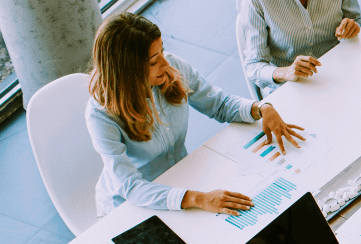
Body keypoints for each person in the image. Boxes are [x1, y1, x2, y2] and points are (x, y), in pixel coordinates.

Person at [86, 13, 304, 217]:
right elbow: (130, 186)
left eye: (161, 51)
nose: (164, 62)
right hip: (132, 207)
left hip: (182, 181)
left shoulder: (172, 67)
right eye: (153, 61)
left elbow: (218, 104)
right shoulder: (100, 115)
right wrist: (198, 198)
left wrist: (261, 108)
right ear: (127, 71)